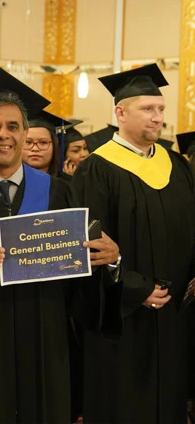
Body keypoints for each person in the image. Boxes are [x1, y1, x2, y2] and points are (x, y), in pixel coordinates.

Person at [0, 68, 122, 424]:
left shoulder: (58, 192)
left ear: (26, 135)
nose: (3, 135)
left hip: (45, 336)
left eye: (13, 127)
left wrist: (109, 261)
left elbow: (81, 284)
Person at [73, 64, 195, 424]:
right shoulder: (96, 169)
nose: (157, 118)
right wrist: (135, 288)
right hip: (122, 319)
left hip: (173, 314)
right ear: (120, 112)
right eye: (147, 109)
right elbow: (91, 246)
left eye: (160, 110)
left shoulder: (176, 165)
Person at [21, 110, 63, 176]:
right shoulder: (7, 183)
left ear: (54, 146)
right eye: (28, 142)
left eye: (43, 142)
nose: (35, 149)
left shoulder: (66, 185)